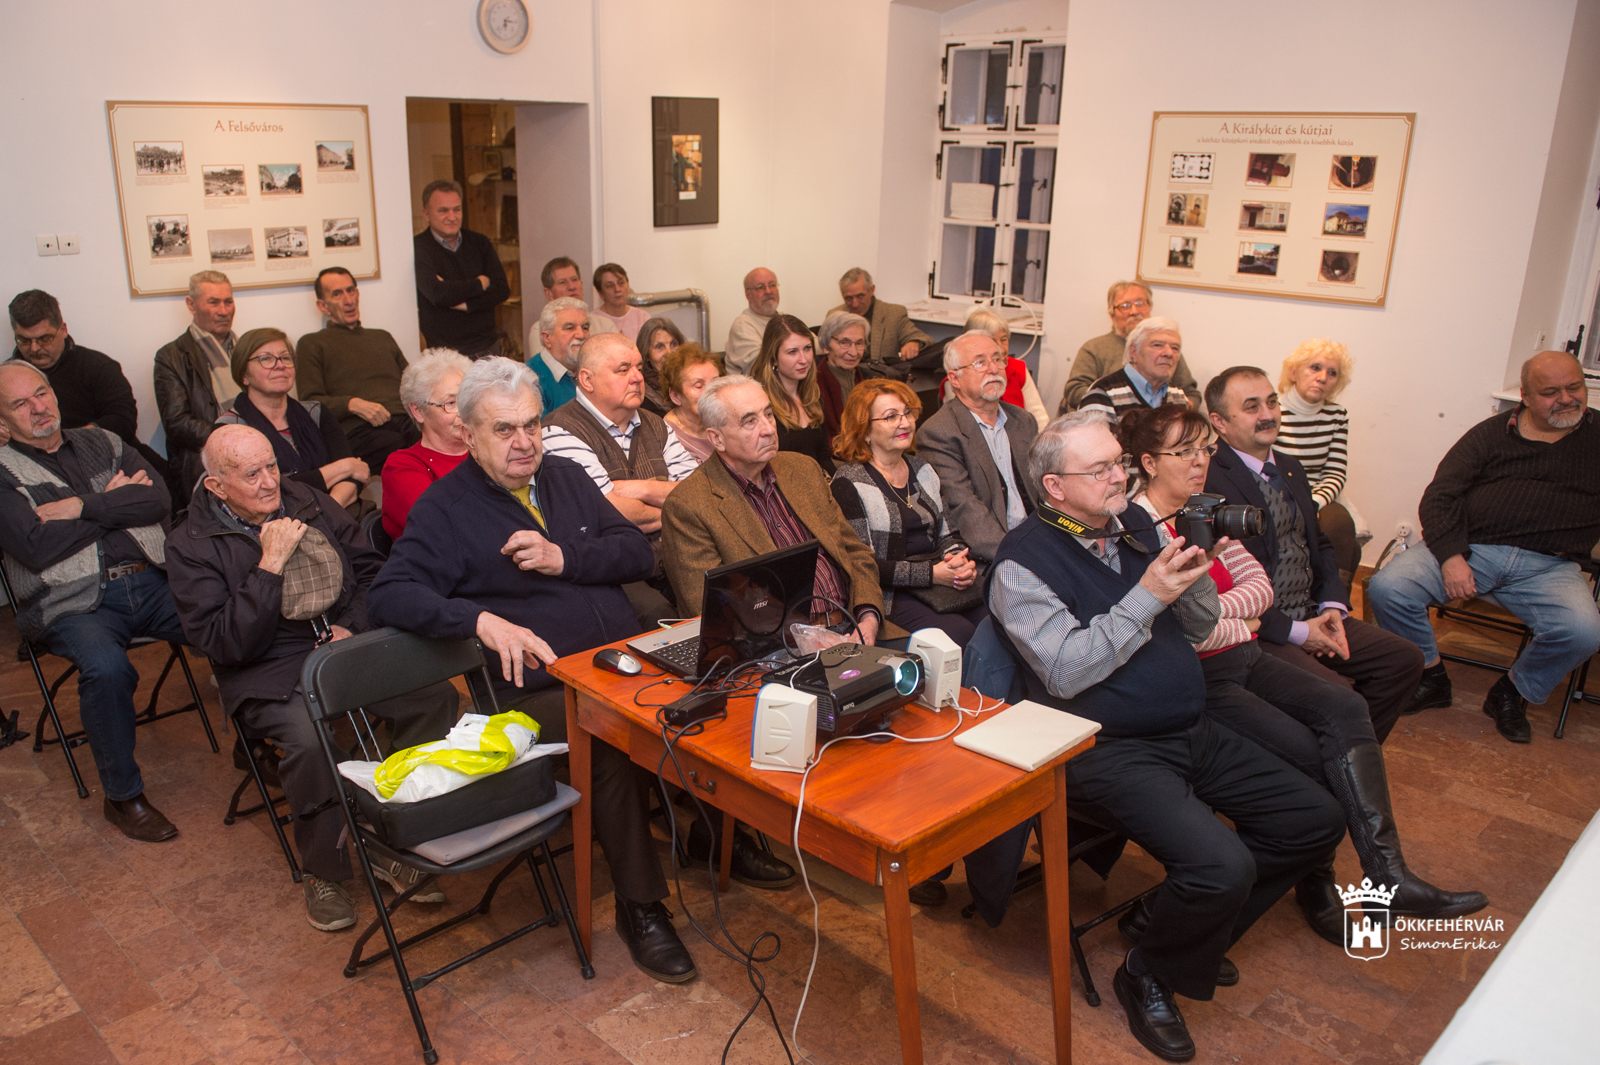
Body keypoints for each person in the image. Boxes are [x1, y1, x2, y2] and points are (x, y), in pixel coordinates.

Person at [985, 409, 1345, 1062]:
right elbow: (1065, 670)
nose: (1119, 473)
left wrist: (1192, 569)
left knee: (1315, 818)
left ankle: (1181, 930)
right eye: (1100, 468)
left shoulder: (1134, 525)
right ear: (1055, 488)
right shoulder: (1022, 562)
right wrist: (1147, 594)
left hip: (1186, 723)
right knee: (1221, 864)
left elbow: (1203, 624)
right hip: (1105, 748)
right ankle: (1147, 971)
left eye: (1117, 461)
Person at [365, 357, 701, 984]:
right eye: (504, 430)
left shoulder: (567, 475)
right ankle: (642, 908)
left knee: (710, 699)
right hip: (540, 687)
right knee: (607, 747)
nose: (524, 443)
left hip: (619, 660)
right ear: (466, 433)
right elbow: (388, 596)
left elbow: (633, 550)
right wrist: (477, 621)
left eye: (533, 426)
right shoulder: (446, 508)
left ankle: (719, 835)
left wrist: (561, 557)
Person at [1123, 405, 1487, 943]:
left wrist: (1233, 617)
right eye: (1186, 452)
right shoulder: (1139, 528)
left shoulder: (1207, 509)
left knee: (1348, 707)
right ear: (1150, 463)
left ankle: (1388, 872)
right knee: (1319, 765)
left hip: (1243, 656)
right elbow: (1187, 634)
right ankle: (1187, 915)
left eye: (1205, 449)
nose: (1201, 461)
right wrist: (1237, 621)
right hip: (1200, 678)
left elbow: (1261, 589)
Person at [166, 424, 458, 932]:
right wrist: (270, 565)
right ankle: (324, 868)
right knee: (310, 737)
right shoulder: (190, 544)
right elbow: (223, 642)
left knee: (433, 698)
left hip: (345, 640)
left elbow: (371, 572)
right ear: (215, 486)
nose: (269, 482)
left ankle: (389, 827)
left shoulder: (306, 499)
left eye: (272, 466)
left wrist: (354, 627)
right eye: (250, 473)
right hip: (268, 666)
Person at [1369, 350, 1600, 744]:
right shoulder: (1491, 433)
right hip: (1472, 548)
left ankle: (1512, 691)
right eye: (1551, 391)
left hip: (1549, 566)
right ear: (1525, 395)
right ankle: (1431, 676)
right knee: (1387, 588)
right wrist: (1451, 556)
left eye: (1574, 387)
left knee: (1583, 632)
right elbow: (1440, 496)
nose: (1566, 398)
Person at [0, 360, 187, 844]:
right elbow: (35, 545)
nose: (37, 407)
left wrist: (82, 506)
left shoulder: (104, 441)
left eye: (40, 392)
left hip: (150, 580)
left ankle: (260, 746)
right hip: (71, 603)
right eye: (20, 403)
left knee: (228, 622)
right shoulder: (3, 473)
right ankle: (123, 798)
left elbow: (158, 500)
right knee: (106, 669)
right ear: (3, 420)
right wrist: (113, 501)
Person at [1204, 366, 1424, 741]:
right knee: (1340, 697)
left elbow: (1318, 543)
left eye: (1272, 401)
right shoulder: (1208, 477)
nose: (1269, 414)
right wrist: (1299, 632)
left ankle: (1347, 761)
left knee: (1403, 660)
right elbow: (1219, 585)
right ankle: (1336, 762)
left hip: (1311, 609)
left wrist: (1333, 607)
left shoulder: (1289, 467)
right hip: (1262, 627)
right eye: (1252, 406)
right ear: (1220, 422)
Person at [661, 375, 887, 646]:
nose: (769, 428)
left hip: (855, 627)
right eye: (750, 421)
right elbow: (713, 614)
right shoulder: (689, 506)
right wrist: (807, 639)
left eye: (769, 414)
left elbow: (855, 553)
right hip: (776, 651)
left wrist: (868, 619)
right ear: (717, 439)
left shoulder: (803, 469)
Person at [540, 332, 698, 623]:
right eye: (623, 370)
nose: (637, 377)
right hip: (610, 566)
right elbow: (607, 511)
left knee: (720, 597)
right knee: (658, 616)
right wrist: (677, 508)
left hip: (672, 555)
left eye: (638, 367)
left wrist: (643, 489)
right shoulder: (560, 431)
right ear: (587, 380)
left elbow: (699, 494)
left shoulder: (656, 424)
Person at [829, 379, 983, 645]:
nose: (905, 423)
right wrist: (932, 574)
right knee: (959, 634)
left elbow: (950, 533)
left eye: (907, 413)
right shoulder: (849, 482)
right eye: (891, 417)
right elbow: (863, 565)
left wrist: (958, 561)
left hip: (940, 583)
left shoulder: (922, 469)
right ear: (865, 430)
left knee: (997, 620)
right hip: (891, 594)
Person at [213, 330, 370, 513]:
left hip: (335, 518)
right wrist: (344, 467)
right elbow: (266, 490)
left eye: (285, 358)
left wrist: (327, 514)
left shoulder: (317, 413)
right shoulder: (229, 429)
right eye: (266, 359)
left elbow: (354, 478)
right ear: (243, 375)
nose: (279, 365)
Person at [916, 331, 1037, 563]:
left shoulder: (1024, 421)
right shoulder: (939, 433)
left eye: (998, 359)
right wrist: (1020, 558)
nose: (993, 369)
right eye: (980, 362)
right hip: (994, 556)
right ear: (955, 379)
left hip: (1037, 539)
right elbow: (964, 510)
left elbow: (1045, 492)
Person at [295, 267, 420, 474]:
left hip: (405, 419)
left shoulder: (382, 337)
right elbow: (309, 402)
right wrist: (351, 404)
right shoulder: (312, 343)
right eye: (337, 294)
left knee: (446, 440)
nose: (348, 300)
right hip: (360, 428)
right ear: (323, 306)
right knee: (402, 453)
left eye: (351, 291)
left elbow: (413, 383)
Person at [1276, 339, 1365, 587]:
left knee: (1340, 524)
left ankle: (1333, 602)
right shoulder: (1271, 409)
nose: (1323, 377)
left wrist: (1313, 502)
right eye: (1315, 367)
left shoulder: (1337, 415)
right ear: (1294, 372)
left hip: (1317, 495)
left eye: (1332, 373)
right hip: (1277, 493)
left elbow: (1335, 473)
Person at [8, 289, 140, 448]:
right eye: (24, 340)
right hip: (37, 464)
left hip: (105, 452)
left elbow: (124, 421)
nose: (34, 348)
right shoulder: (5, 382)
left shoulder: (98, 366)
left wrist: (69, 442)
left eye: (44, 339)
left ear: (63, 330)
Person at [155, 270, 239, 502]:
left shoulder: (246, 349)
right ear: (191, 305)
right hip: (204, 461)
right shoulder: (172, 355)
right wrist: (233, 436)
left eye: (228, 301)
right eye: (213, 302)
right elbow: (177, 423)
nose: (223, 311)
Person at [1058, 281, 1201, 413]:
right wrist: (1121, 402)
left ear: (1149, 308)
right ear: (1112, 314)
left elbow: (1192, 394)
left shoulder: (1167, 351)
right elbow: (1074, 390)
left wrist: (1174, 413)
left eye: (1140, 303)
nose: (1134, 311)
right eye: (1125, 306)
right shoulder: (1094, 348)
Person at [412, 179, 511, 358]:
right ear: (426, 214)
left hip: (486, 348)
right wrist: (479, 284)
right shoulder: (418, 248)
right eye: (443, 210)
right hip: (444, 353)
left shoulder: (480, 243)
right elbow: (438, 294)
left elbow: (502, 290)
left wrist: (466, 304)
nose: (452, 216)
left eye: (457, 209)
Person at [381, 348, 473, 540]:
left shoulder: (484, 451)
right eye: (450, 403)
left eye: (466, 401)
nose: (462, 413)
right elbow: (442, 528)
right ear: (418, 411)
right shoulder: (402, 466)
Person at [751, 314, 838, 474]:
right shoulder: (760, 403)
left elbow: (823, 456)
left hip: (818, 483)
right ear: (774, 358)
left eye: (807, 348)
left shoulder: (814, 396)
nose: (803, 359)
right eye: (792, 352)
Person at [1080, 316, 1193, 422]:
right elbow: (1092, 443)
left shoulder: (1178, 397)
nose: (1168, 353)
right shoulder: (1102, 394)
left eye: (1175, 348)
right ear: (1133, 352)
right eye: (1157, 345)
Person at [961, 307, 1049, 430]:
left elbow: (1040, 420)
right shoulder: (961, 374)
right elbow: (964, 428)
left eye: (1004, 340)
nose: (1001, 349)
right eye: (992, 340)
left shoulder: (1018, 368)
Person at [827, 267, 931, 365]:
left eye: (860, 296)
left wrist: (914, 342)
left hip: (881, 378)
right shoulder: (834, 315)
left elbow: (925, 339)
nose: (855, 304)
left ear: (871, 290)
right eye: (849, 298)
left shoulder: (894, 314)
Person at [659, 343, 722, 463]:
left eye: (716, 382)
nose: (711, 391)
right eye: (699, 386)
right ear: (676, 396)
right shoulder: (668, 438)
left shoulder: (723, 421)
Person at [525, 297, 590, 412]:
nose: (581, 335)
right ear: (547, 338)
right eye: (570, 328)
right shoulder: (529, 380)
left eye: (585, 328)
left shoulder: (594, 371)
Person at [724, 267, 780, 375]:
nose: (768, 291)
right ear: (747, 294)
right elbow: (762, 367)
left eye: (772, 285)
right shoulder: (742, 325)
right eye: (760, 287)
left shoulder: (785, 319)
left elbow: (817, 346)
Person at [817, 311, 872, 407]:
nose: (853, 352)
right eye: (844, 343)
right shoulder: (813, 387)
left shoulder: (870, 381)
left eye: (859, 343)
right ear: (825, 346)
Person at [635, 315, 685, 415]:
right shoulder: (641, 395)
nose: (669, 353)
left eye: (674, 344)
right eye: (659, 347)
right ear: (646, 355)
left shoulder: (692, 379)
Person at [591, 263, 653, 340]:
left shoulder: (642, 318)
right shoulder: (592, 321)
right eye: (610, 285)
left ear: (628, 286)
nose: (617, 289)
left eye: (621, 283)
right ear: (600, 293)